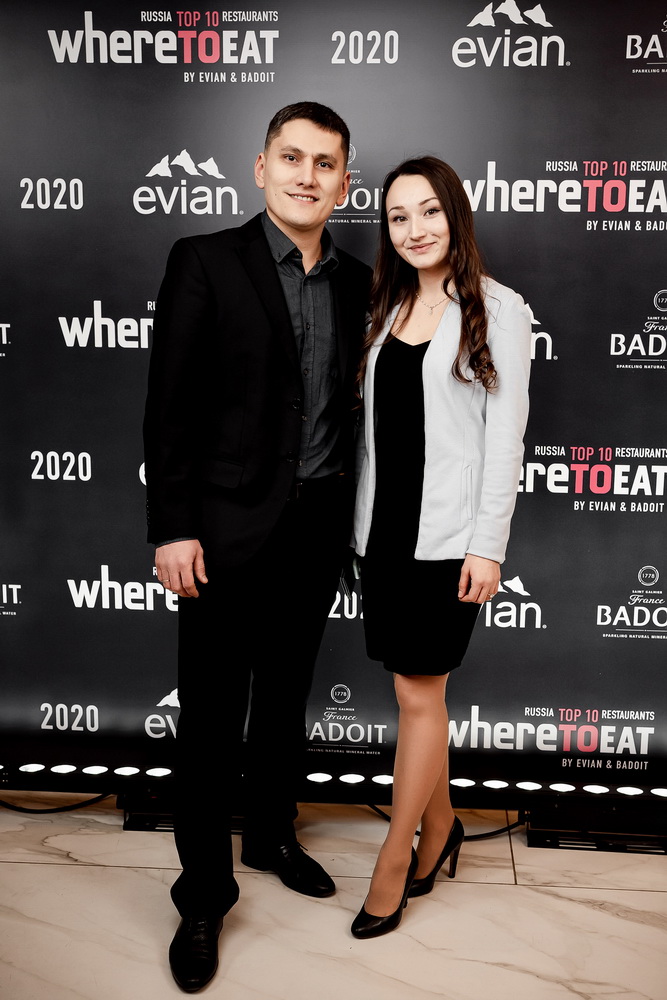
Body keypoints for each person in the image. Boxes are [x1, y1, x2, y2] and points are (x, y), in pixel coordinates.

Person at [143, 102, 371, 990]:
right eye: (291, 157)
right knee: (209, 719)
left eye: (325, 163)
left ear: (343, 182)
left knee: (283, 700)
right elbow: (169, 405)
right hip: (222, 531)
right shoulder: (204, 260)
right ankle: (203, 895)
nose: (306, 175)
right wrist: (173, 526)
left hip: (315, 529)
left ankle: (271, 833)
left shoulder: (359, 281)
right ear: (260, 167)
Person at [351, 156, 531, 938]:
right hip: (382, 532)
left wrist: (486, 546)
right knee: (415, 696)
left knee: (419, 696)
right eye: (398, 216)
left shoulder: (499, 309)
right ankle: (442, 825)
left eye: (428, 211)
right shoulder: (385, 304)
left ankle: (396, 860)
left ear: (455, 214)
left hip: (449, 538)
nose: (414, 229)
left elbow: (504, 440)